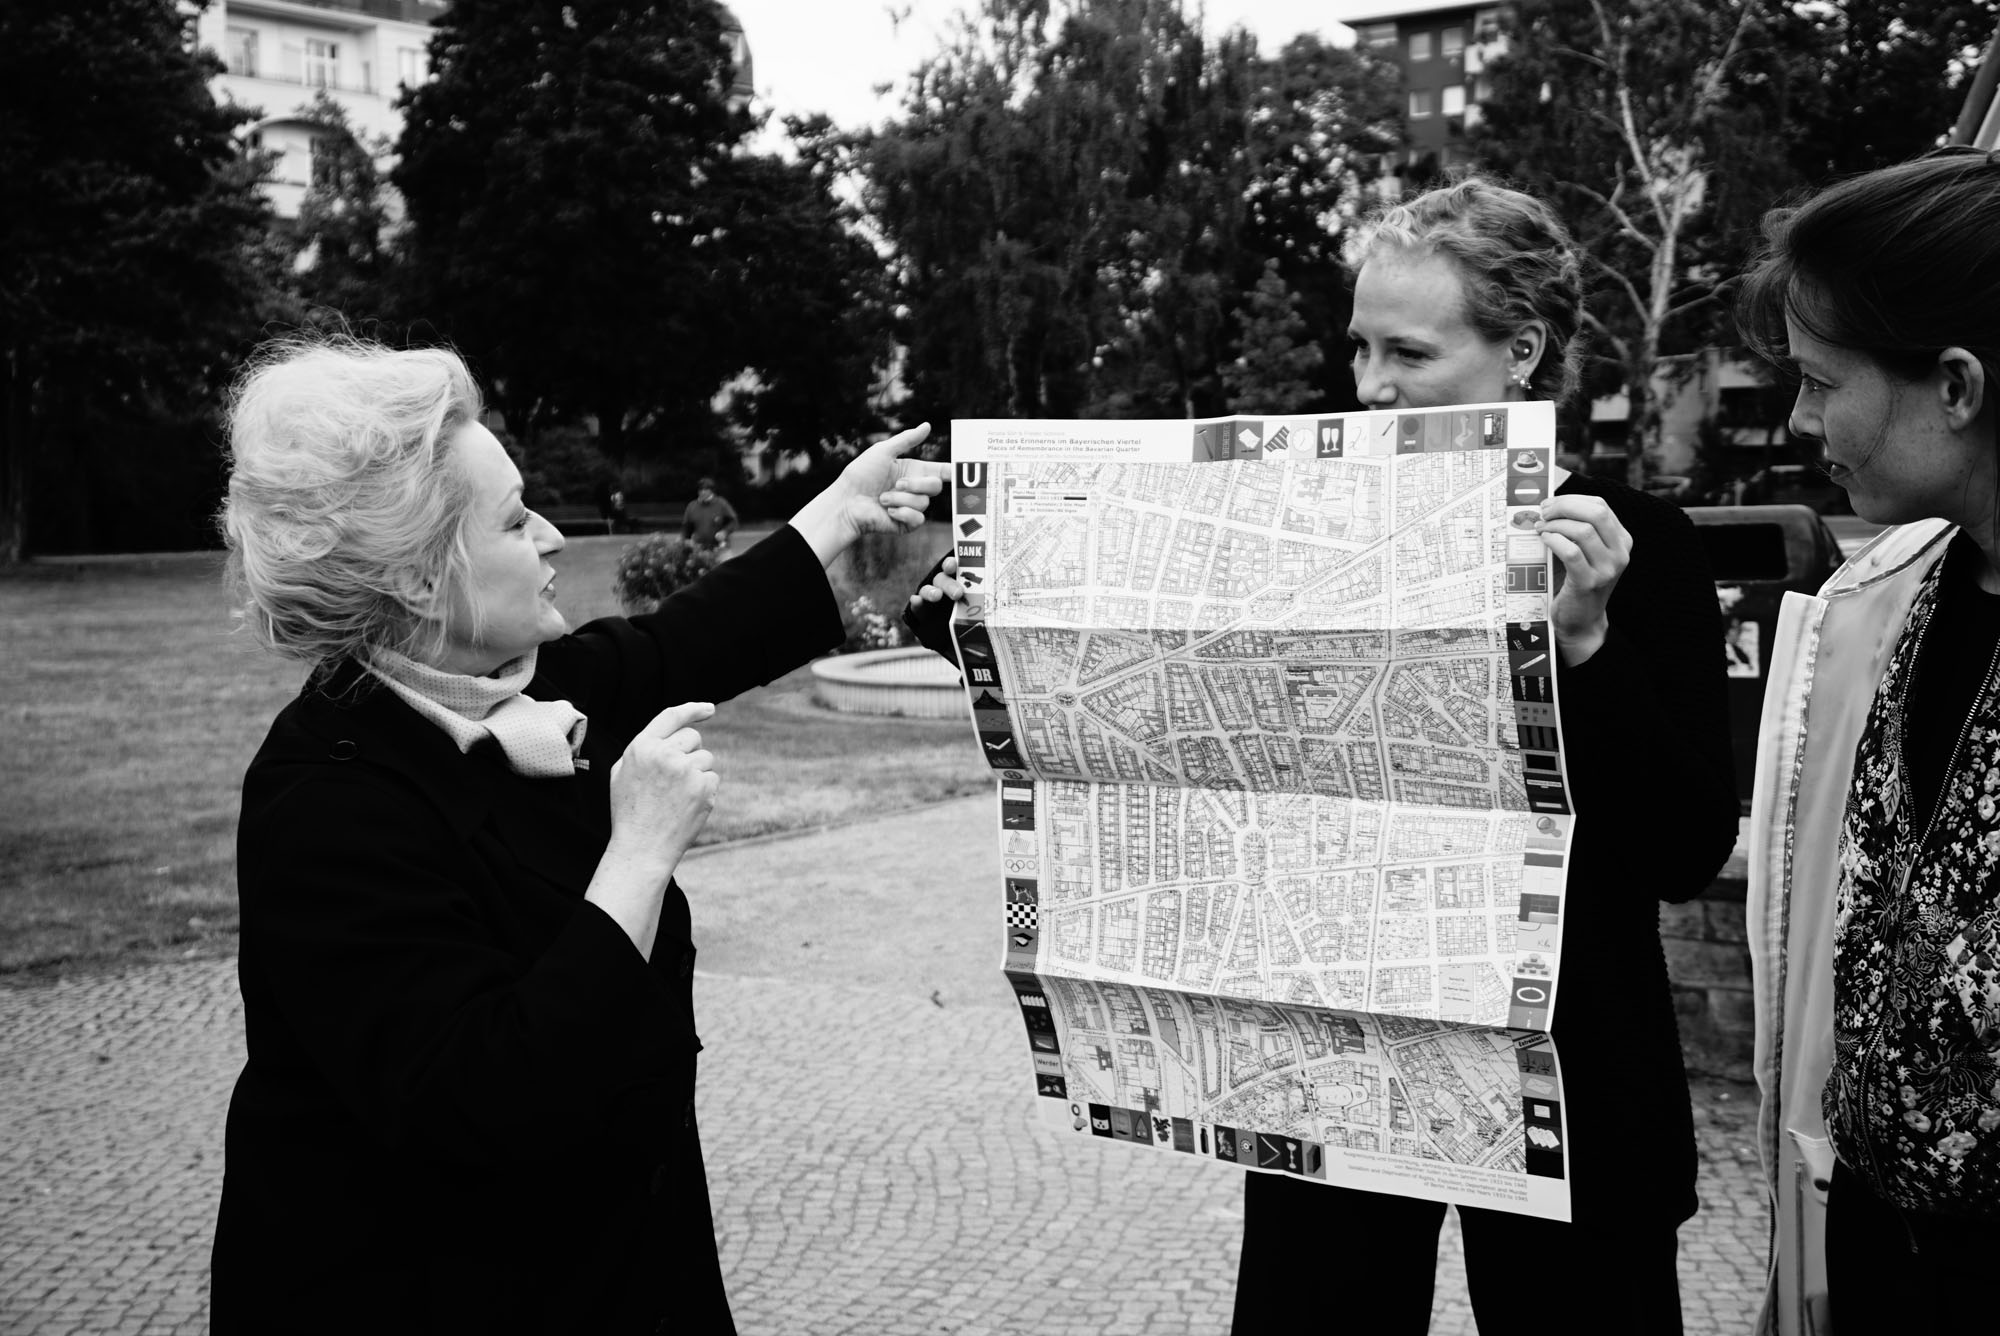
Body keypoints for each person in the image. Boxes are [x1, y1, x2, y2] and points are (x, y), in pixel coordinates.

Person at [906, 176, 1738, 1334]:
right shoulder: (1294, 527)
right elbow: (1156, 728)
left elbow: (1685, 846)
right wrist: (995, 629)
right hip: (1339, 1058)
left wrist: (1588, 645)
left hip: (1577, 1076)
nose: (1368, 388)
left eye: (1408, 351)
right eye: (1357, 348)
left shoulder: (1637, 547)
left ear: (1521, 351)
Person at [209, 337, 942, 1333]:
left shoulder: (522, 683)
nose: (553, 535)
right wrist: (637, 851)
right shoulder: (324, 807)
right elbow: (486, 1101)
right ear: (421, 583)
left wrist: (833, 515)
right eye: (515, 519)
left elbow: (682, 639)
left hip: (616, 1269)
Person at [1739, 146, 2000, 1336]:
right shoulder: (1883, 600)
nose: (1798, 421)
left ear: (1954, 385)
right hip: (1877, 1251)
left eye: (1819, 379)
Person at [683, 476, 738, 552]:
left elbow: (733, 521)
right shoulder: (692, 506)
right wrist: (687, 540)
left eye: (706, 489)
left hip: (720, 547)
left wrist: (725, 532)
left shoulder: (721, 503)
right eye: (700, 489)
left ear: (712, 491)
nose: (703, 492)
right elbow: (687, 527)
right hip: (699, 548)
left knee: (727, 563)